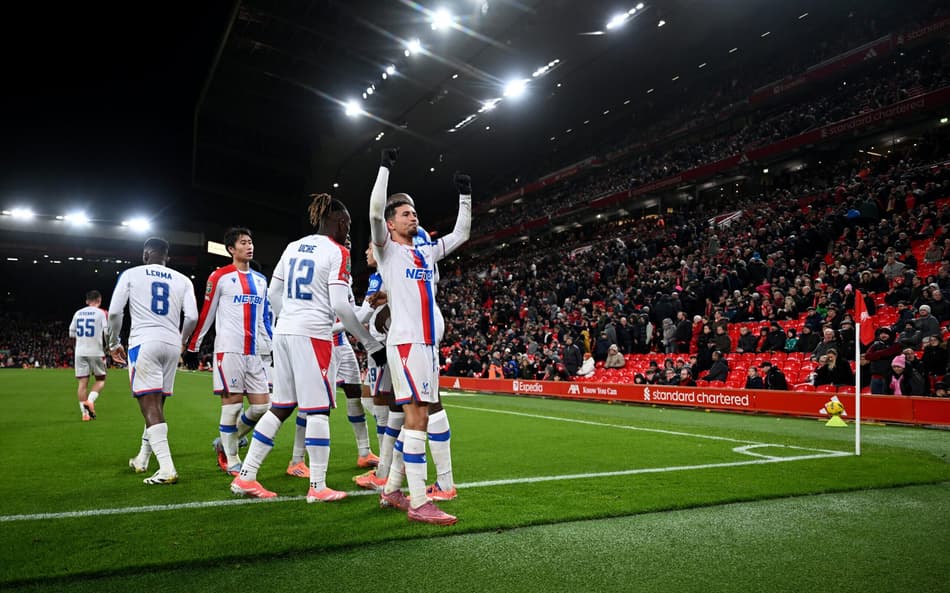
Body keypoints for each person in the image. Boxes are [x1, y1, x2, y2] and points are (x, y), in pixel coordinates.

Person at [231, 193, 386, 502]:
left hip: (284, 331)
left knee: (282, 406)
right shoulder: (337, 251)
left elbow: (273, 293)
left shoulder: (291, 247)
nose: (349, 231)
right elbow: (342, 305)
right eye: (348, 225)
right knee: (317, 411)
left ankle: (246, 476)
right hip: (313, 334)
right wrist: (368, 342)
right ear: (339, 222)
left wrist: (289, 318)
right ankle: (317, 486)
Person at [369, 147, 470, 525]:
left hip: (427, 346)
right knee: (417, 417)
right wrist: (384, 168)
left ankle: (392, 490)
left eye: (415, 213)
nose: (414, 217)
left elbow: (462, 233)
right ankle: (418, 501)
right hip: (408, 343)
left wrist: (465, 195)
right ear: (391, 224)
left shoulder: (426, 253)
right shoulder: (387, 251)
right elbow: (376, 210)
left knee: (418, 416)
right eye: (406, 214)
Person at [108, 237, 198, 485]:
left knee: (149, 405)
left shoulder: (131, 274)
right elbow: (192, 316)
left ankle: (167, 468)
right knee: (157, 404)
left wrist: (113, 342)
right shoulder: (183, 280)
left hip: (144, 341)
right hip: (170, 344)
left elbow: (115, 312)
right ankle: (142, 459)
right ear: (167, 257)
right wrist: (181, 340)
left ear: (146, 254)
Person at [186, 227, 272, 477]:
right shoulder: (220, 277)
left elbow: (264, 319)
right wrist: (193, 346)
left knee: (262, 407)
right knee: (232, 407)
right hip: (229, 350)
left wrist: (272, 345)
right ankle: (231, 457)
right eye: (243, 242)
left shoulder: (260, 280)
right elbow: (206, 313)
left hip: (254, 352)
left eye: (251, 241)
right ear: (231, 249)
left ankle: (225, 442)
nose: (249, 246)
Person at [69, 290, 109, 421]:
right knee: (100, 380)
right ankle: (90, 401)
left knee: (82, 383)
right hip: (96, 351)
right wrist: (108, 346)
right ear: (99, 300)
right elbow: (107, 332)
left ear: (87, 301)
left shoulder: (77, 313)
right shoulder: (102, 313)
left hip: (80, 352)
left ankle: (85, 414)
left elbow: (71, 333)